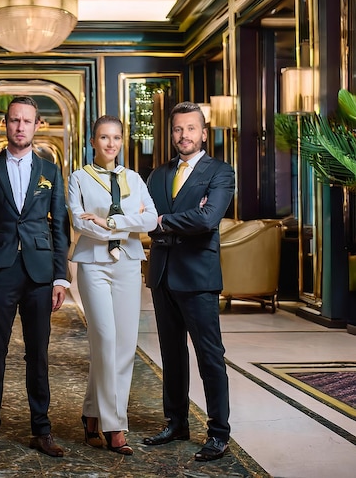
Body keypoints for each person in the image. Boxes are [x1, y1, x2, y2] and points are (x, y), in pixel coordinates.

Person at [0, 95, 70, 458]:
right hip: (1, 270)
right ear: (5, 125)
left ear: (37, 126)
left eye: (27, 121)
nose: (20, 127)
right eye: (14, 120)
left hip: (39, 272)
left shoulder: (51, 172)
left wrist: (60, 277)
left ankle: (42, 429)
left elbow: (60, 228)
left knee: (38, 354)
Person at [142, 101, 235, 462]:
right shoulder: (158, 174)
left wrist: (164, 221)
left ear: (203, 132)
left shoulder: (220, 172)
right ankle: (176, 421)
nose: (184, 136)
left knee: (210, 356)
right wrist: (177, 219)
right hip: (163, 274)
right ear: (172, 133)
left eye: (191, 129)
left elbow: (208, 219)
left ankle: (218, 433)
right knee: (172, 355)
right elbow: (146, 217)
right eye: (178, 129)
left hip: (198, 278)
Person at [68, 115, 158, 455]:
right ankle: (115, 424)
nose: (111, 143)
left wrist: (110, 221)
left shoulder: (133, 178)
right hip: (93, 265)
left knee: (125, 344)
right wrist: (126, 224)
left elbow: (150, 219)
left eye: (116, 137)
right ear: (93, 141)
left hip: (128, 263)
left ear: (122, 141)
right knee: (105, 339)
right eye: (104, 137)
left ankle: (92, 414)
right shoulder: (79, 177)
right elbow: (79, 221)